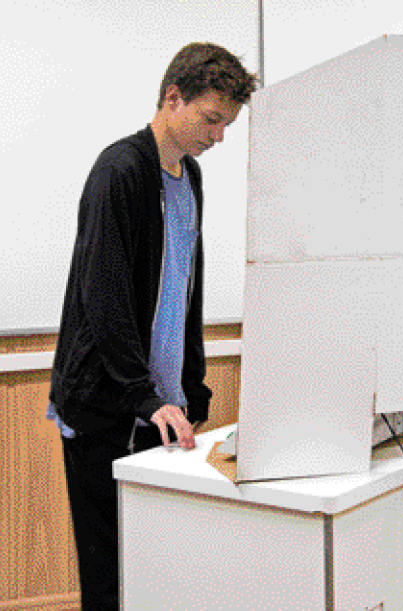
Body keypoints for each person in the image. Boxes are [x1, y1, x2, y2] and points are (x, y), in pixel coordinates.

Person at [46, 43, 258, 610]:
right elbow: (104, 297)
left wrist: (189, 386)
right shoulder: (119, 170)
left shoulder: (189, 177)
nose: (218, 136)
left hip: (160, 406)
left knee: (158, 568)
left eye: (227, 124)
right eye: (211, 119)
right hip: (106, 406)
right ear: (172, 98)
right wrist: (142, 394)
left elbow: (185, 286)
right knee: (110, 577)